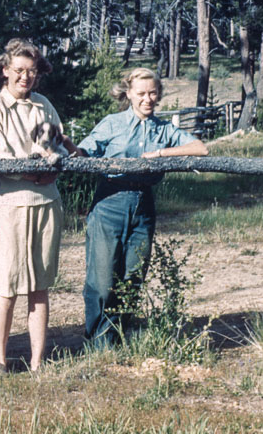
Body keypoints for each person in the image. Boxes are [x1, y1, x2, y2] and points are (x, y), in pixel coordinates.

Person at [77, 67, 208, 346]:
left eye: (152, 93)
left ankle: (117, 337)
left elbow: (200, 148)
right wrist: (64, 146)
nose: (147, 99)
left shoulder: (163, 129)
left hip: (143, 206)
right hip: (109, 203)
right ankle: (97, 344)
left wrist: (161, 153)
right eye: (141, 93)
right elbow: (84, 151)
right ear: (128, 94)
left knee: (132, 277)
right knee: (101, 280)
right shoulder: (112, 124)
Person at [0, 39, 80, 373]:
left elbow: (60, 148)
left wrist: (50, 166)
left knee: (39, 285)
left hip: (45, 201)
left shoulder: (43, 105)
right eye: (19, 70)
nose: (25, 77)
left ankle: (38, 361)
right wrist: (34, 170)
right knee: (6, 286)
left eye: (31, 71)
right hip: (6, 204)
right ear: (5, 70)